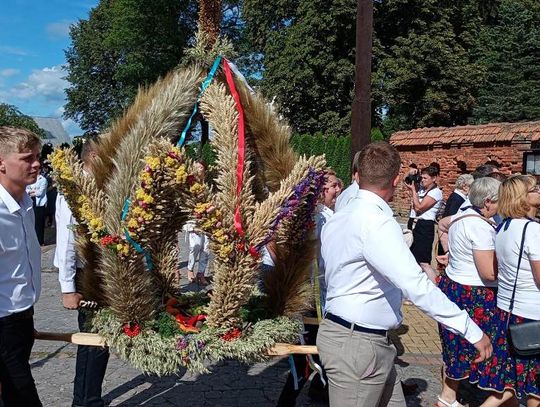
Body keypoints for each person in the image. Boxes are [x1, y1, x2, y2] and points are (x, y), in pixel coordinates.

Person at [317, 141, 492, 407]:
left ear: (358, 175)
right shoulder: (376, 222)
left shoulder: (340, 214)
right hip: (358, 342)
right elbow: (416, 285)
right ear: (396, 180)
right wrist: (470, 329)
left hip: (360, 338)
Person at [55, 138, 110, 407]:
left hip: (99, 272)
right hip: (84, 274)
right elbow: (67, 239)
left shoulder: (98, 185)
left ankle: (88, 398)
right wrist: (67, 287)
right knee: (93, 339)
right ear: (95, 155)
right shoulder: (76, 188)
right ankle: (86, 402)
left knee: (101, 340)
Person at [437, 177, 501, 407]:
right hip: (474, 293)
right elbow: (488, 273)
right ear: (487, 202)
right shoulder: (480, 227)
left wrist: (451, 253)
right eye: (499, 201)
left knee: (457, 344)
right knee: (475, 344)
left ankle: (449, 396)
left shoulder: (462, 215)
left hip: (456, 286)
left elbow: (442, 225)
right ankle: (453, 396)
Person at [477, 175, 540, 407]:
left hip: (507, 311)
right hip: (531, 314)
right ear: (522, 197)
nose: (539, 190)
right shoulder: (533, 230)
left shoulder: (504, 227)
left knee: (511, 382)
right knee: (533, 386)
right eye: (534, 188)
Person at [0, 126, 42, 406]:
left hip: (22, 317)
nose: (36, 163)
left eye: (38, 156)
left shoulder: (26, 202)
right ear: (1, 163)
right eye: (27, 158)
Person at [406, 166, 443, 282]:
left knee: (423, 262)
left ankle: (436, 286)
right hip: (413, 223)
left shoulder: (436, 192)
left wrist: (413, 191)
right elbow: (406, 181)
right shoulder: (421, 189)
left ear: (434, 178)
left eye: (425, 178)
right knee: (411, 259)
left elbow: (419, 208)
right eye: (421, 178)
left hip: (424, 226)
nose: (422, 180)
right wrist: (409, 173)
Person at [184, 159, 211, 286]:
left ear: (204, 170)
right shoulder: (189, 185)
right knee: (195, 245)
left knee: (206, 248)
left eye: (200, 167)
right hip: (194, 220)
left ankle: (201, 274)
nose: (198, 169)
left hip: (207, 219)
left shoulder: (207, 186)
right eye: (196, 167)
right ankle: (190, 269)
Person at [26, 172, 48, 245]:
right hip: (30, 202)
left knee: (39, 223)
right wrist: (32, 191)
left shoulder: (43, 180)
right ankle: (33, 240)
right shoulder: (29, 178)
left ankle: (40, 241)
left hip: (39, 203)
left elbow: (40, 193)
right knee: (31, 222)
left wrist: (31, 192)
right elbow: (26, 190)